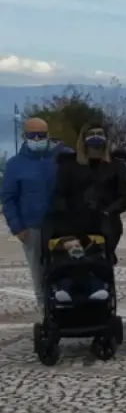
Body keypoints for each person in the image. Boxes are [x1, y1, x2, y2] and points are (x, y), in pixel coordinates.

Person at [1, 117, 67, 309]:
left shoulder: (64, 156)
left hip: (62, 226)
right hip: (33, 228)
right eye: (32, 135)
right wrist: (18, 228)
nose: (37, 138)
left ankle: (70, 312)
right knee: (39, 276)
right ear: (25, 135)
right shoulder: (15, 165)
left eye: (41, 134)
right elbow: (8, 198)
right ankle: (46, 316)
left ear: (48, 134)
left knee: (67, 270)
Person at [51, 123, 126, 263]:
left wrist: (110, 211)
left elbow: (125, 195)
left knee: (100, 263)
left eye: (99, 133)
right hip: (74, 224)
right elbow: (60, 193)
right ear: (83, 139)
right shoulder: (69, 165)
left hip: (106, 224)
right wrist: (64, 215)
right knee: (76, 262)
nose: (96, 137)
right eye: (91, 134)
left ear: (106, 138)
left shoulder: (116, 165)